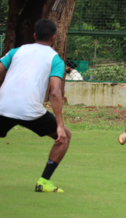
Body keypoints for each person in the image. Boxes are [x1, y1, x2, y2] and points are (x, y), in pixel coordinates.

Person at [0, 19, 71, 192]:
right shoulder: (56, 59)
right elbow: (55, 92)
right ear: (53, 38)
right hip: (31, 111)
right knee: (64, 137)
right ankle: (43, 182)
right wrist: (60, 125)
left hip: (3, 107)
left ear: (34, 35)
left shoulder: (15, 51)